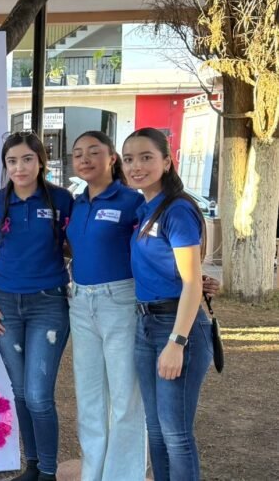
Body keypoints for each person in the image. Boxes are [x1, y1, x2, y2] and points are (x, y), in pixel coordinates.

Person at [0, 131, 74, 481]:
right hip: (4, 304)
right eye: (12, 161)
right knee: (20, 391)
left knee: (37, 393)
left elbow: (79, 247)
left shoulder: (63, 200)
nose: (20, 167)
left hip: (48, 304)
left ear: (40, 162)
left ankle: (48, 472)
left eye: (27, 159)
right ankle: (31, 466)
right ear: (5, 166)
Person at [122, 127, 213, 481]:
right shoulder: (146, 208)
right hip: (146, 325)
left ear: (167, 160)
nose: (136, 166)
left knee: (176, 434)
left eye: (146, 157)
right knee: (156, 429)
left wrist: (177, 342)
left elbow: (192, 281)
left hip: (176, 327)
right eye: (129, 159)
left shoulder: (176, 210)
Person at [65, 131, 147, 481]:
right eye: (78, 153)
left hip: (120, 301)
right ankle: (94, 471)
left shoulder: (132, 201)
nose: (84, 159)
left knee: (125, 396)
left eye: (93, 152)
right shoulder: (76, 202)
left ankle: (123, 474)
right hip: (81, 302)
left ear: (112, 158)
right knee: (89, 394)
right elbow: (75, 248)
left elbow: (158, 247)